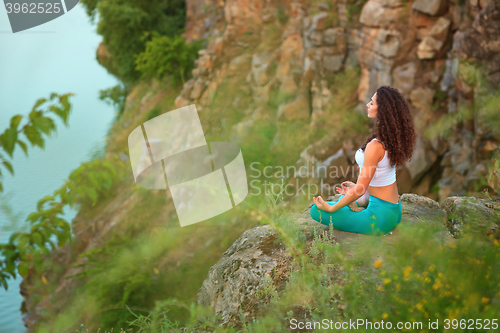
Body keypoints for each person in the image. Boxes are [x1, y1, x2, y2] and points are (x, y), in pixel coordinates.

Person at [310, 86, 416, 235]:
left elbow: (359, 189)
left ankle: (358, 204)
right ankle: (360, 202)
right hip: (393, 210)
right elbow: (378, 179)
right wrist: (360, 191)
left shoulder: (375, 146)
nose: (367, 105)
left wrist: (332, 208)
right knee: (345, 198)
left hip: (380, 219)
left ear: (382, 110)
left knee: (317, 210)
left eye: (372, 103)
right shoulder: (388, 140)